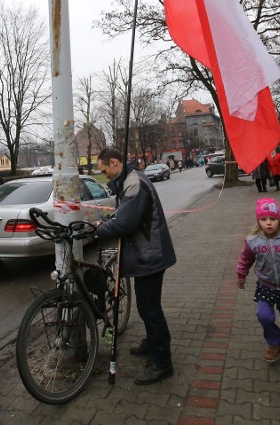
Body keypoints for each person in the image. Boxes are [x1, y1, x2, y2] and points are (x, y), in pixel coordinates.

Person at [95, 147, 177, 385]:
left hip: (150, 255)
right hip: (148, 254)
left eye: (105, 170)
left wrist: (99, 230)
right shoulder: (129, 181)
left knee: (150, 309)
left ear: (114, 161)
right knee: (147, 306)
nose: (105, 175)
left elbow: (126, 223)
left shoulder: (133, 183)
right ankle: (153, 343)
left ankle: (162, 363)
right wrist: (111, 220)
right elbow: (124, 215)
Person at [237, 198, 280, 362]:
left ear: (279, 219)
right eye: (264, 219)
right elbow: (245, 259)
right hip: (265, 285)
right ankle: (275, 343)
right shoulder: (253, 241)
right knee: (264, 316)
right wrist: (241, 275)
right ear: (258, 221)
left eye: (272, 219)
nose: (268, 223)